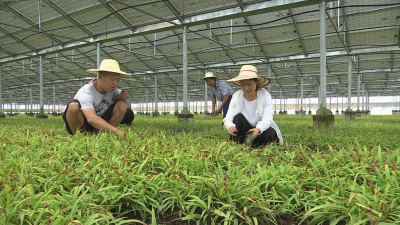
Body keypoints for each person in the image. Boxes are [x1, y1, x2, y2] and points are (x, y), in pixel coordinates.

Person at [62, 59, 134, 136]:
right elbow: (91, 118)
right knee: (73, 106)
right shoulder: (86, 92)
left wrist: (121, 97)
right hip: (84, 123)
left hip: (100, 122)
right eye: (112, 80)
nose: (115, 84)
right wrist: (117, 131)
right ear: (100, 77)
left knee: (122, 105)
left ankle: (104, 134)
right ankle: (79, 135)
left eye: (118, 80)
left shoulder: (113, 90)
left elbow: (119, 103)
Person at [223, 65, 283, 147]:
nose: (246, 88)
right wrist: (230, 126)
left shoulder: (265, 95)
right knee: (238, 118)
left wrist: (258, 129)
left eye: (249, 84)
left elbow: (267, 119)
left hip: (260, 130)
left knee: (269, 132)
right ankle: (240, 144)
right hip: (245, 131)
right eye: (243, 85)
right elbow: (229, 117)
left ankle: (256, 145)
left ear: (256, 82)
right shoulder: (236, 96)